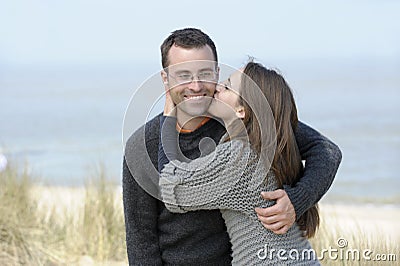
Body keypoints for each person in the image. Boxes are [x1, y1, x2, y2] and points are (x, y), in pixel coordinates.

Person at [123, 28, 342, 265]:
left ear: (217, 73)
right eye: (184, 75)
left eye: (205, 73)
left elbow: (326, 150)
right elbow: (141, 240)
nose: (196, 86)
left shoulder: (247, 123)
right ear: (166, 79)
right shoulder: (141, 146)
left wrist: (298, 199)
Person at [158, 62, 320, 265]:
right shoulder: (277, 146)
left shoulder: (239, 157)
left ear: (241, 110)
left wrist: (168, 120)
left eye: (226, 87)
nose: (216, 87)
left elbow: (172, 189)